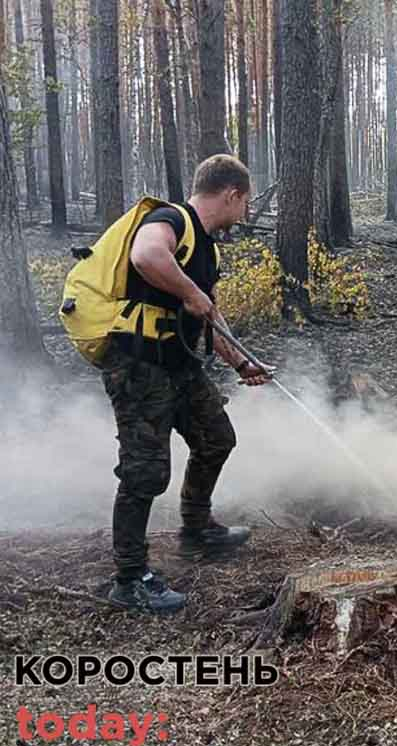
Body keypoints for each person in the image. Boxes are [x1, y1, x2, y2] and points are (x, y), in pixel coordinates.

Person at [102, 155, 274, 612]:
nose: (244, 214)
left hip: (179, 366)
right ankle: (130, 578)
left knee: (216, 438)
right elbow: (145, 255)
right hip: (139, 366)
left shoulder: (209, 248)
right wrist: (190, 292)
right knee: (145, 471)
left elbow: (209, 317)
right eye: (245, 204)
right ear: (231, 194)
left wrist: (243, 364)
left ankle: (197, 528)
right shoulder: (171, 219)